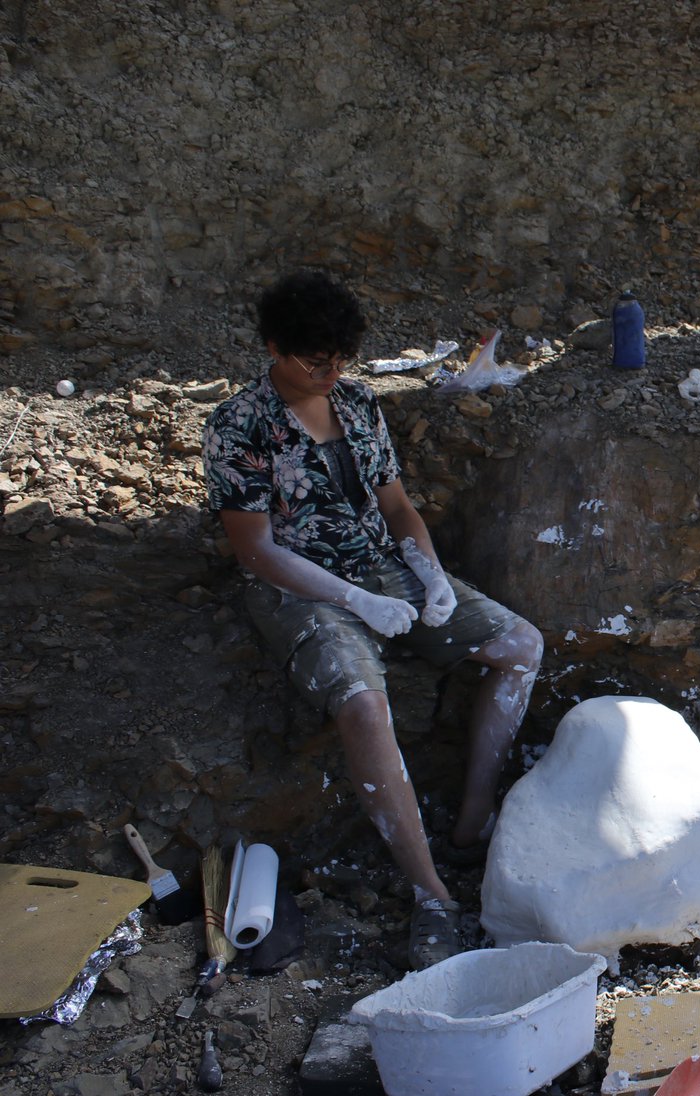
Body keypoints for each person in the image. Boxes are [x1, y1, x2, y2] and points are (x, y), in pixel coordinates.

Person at [202, 270, 543, 969]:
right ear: (273, 347)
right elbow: (256, 548)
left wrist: (428, 572)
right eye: (313, 362)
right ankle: (431, 894)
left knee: (519, 643)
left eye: (338, 360)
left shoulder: (356, 404)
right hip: (297, 586)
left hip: (382, 567)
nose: (329, 374)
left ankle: (472, 820)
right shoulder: (238, 427)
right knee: (360, 702)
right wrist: (353, 601)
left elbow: (395, 507)